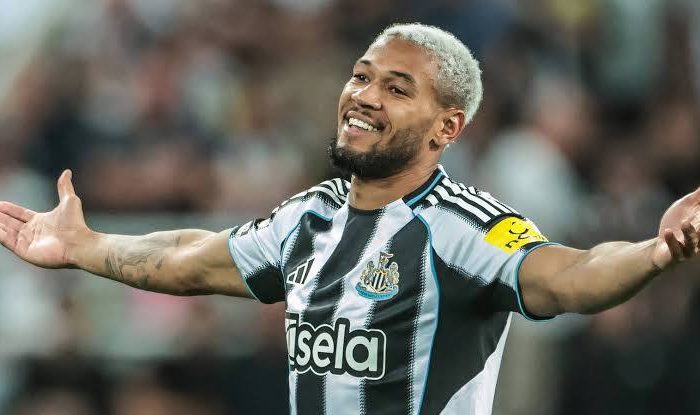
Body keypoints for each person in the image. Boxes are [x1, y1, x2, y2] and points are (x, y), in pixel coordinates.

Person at [0, 23, 699, 415]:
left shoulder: (464, 225)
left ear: (447, 127)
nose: (363, 96)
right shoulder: (309, 217)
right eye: (361, 75)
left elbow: (569, 273)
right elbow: (192, 257)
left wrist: (655, 251)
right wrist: (84, 245)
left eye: (397, 88)